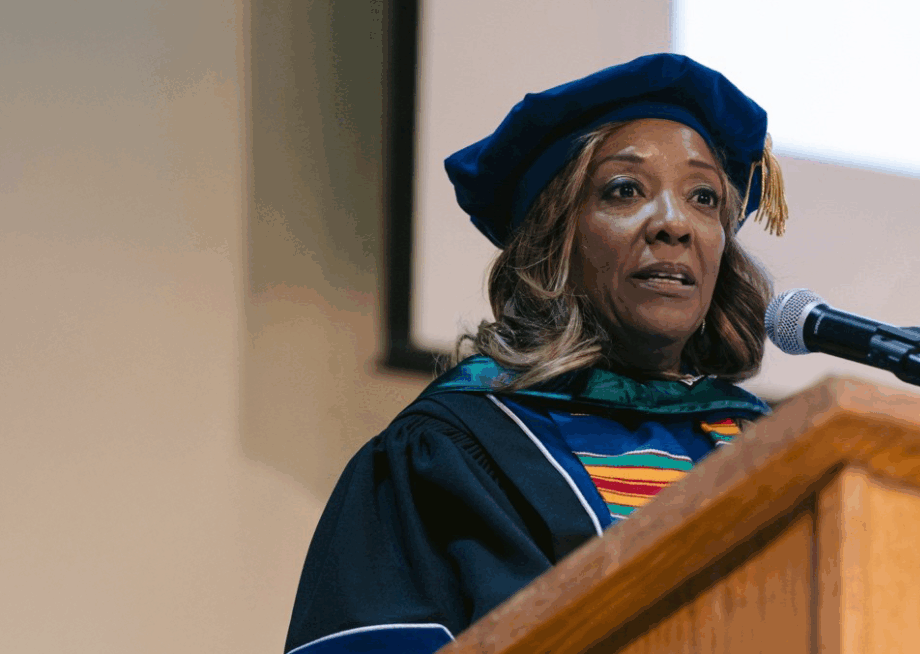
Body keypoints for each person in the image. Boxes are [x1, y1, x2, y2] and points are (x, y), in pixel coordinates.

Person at [283, 53, 790, 654]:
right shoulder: (446, 454)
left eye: (704, 197)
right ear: (555, 241)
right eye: (626, 190)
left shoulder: (770, 450)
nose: (674, 224)